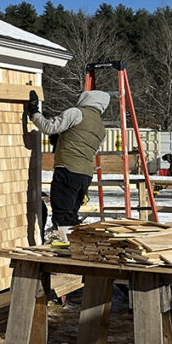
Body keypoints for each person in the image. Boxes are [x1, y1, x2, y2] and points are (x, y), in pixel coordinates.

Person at [27, 88, 111, 244]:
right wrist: (60, 141)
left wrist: (34, 112)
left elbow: (48, 127)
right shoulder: (101, 128)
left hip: (68, 169)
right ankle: (77, 245)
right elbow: (86, 148)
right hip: (85, 175)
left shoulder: (76, 113)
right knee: (71, 213)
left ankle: (70, 246)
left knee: (63, 214)